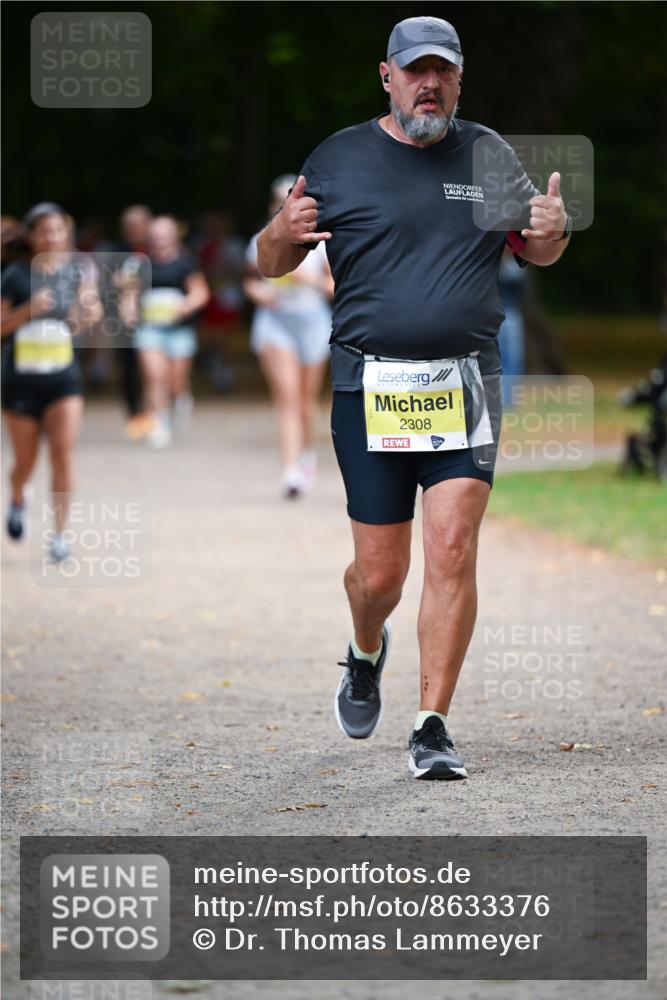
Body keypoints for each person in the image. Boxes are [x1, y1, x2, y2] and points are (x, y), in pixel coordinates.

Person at [257, 16, 571, 779]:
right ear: (386, 76)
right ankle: (365, 650)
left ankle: (431, 725)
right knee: (379, 576)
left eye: (443, 72)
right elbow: (269, 263)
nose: (428, 84)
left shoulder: (489, 154)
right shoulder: (338, 157)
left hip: (465, 380)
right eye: (414, 70)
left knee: (453, 549)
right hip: (368, 385)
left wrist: (554, 229)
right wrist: (280, 228)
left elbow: (537, 248)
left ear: (458, 79)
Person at [1, 202, 102, 561]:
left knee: (62, 455)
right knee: (24, 462)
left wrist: (88, 315)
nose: (53, 236)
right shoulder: (14, 275)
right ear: (31, 236)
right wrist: (28, 311)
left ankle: (60, 537)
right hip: (19, 381)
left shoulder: (77, 271)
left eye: (58, 230)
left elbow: (87, 317)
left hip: (63, 380)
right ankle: (17, 497)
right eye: (45, 230)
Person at [246, 176, 334, 497]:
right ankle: (291, 471)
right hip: (275, 324)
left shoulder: (321, 243)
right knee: (287, 398)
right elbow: (250, 282)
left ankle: (307, 453)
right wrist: (259, 294)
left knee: (306, 402)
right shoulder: (262, 239)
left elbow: (334, 288)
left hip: (312, 323)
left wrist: (304, 280)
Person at [120, 215, 209, 449]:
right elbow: (129, 295)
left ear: (175, 235)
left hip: (179, 330)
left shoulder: (186, 263)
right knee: (154, 377)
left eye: (165, 233)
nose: (160, 239)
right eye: (156, 234)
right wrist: (128, 312)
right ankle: (159, 423)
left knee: (175, 381)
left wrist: (186, 305)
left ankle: (181, 399)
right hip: (150, 329)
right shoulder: (140, 263)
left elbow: (200, 293)